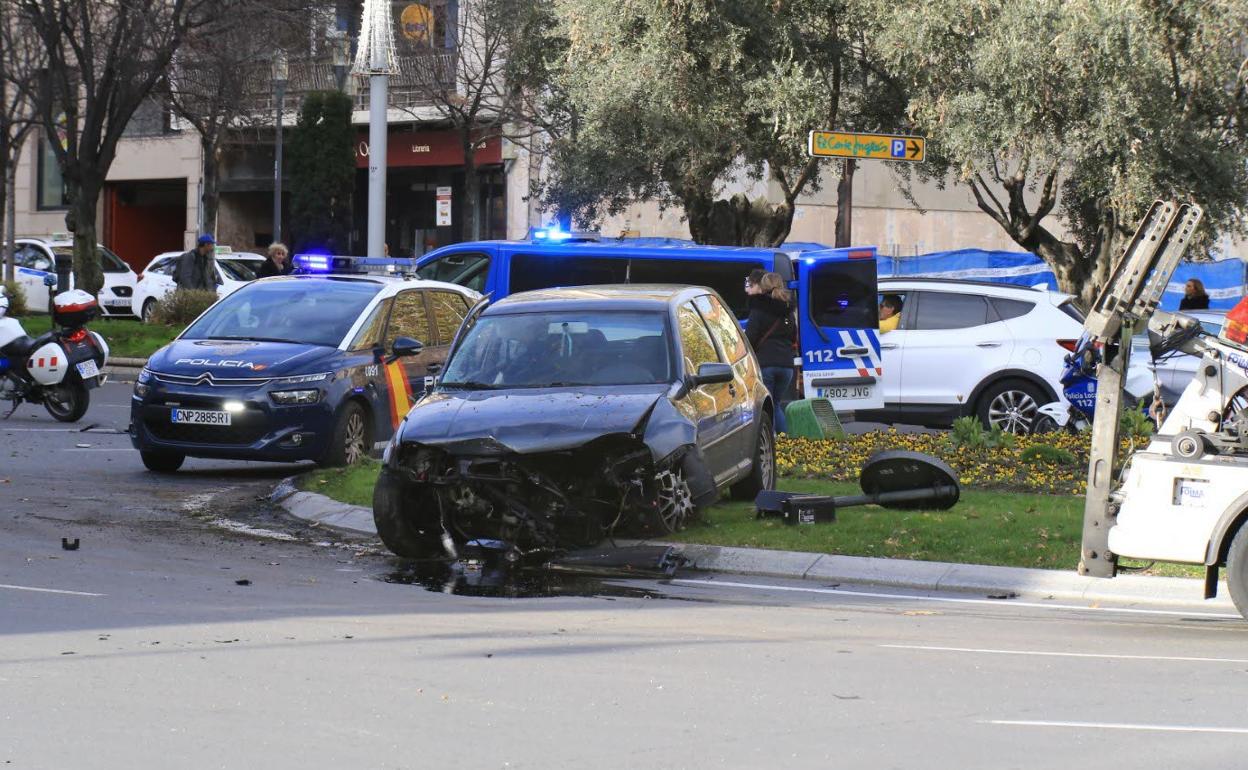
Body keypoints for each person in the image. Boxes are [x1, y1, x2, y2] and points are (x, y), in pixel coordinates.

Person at [745, 271, 797, 434]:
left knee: (767, 407)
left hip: (766, 364)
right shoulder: (788, 311)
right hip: (787, 366)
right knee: (776, 403)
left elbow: (750, 338)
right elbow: (793, 336)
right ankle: (784, 440)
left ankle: (772, 442)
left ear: (762, 287)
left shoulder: (758, 309)